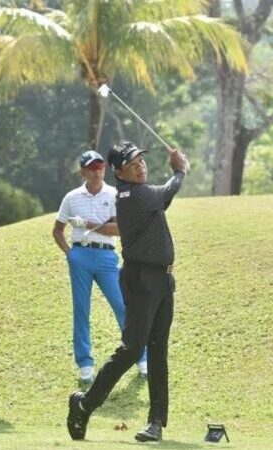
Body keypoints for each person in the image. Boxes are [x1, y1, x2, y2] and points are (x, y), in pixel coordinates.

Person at [66, 141, 189, 443]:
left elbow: (163, 200)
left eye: (142, 161)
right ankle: (84, 404)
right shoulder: (131, 195)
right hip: (141, 280)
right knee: (132, 349)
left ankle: (156, 423)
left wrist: (176, 174)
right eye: (133, 164)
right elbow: (168, 192)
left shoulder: (144, 195)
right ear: (120, 172)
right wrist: (179, 171)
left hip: (162, 280)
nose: (141, 166)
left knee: (158, 349)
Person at [53, 150, 147, 383]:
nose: (97, 171)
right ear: (83, 171)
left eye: (100, 167)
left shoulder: (115, 194)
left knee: (122, 306)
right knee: (81, 310)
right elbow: (57, 230)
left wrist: (88, 224)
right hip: (80, 256)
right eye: (92, 168)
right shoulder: (71, 198)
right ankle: (85, 364)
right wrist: (70, 254)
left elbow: (120, 228)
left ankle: (141, 356)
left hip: (107, 257)